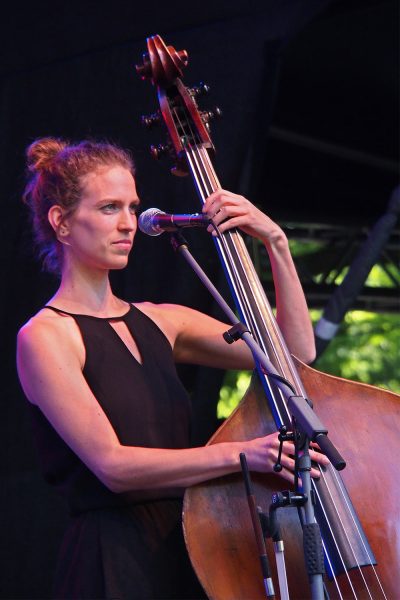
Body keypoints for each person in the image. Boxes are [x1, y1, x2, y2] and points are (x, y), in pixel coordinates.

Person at [17, 137, 328, 599]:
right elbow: (113, 466)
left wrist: (276, 242)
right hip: (113, 560)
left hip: (192, 544)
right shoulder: (45, 336)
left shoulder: (162, 320)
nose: (128, 224)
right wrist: (242, 453)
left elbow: (295, 352)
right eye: (108, 208)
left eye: (132, 207)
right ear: (61, 222)